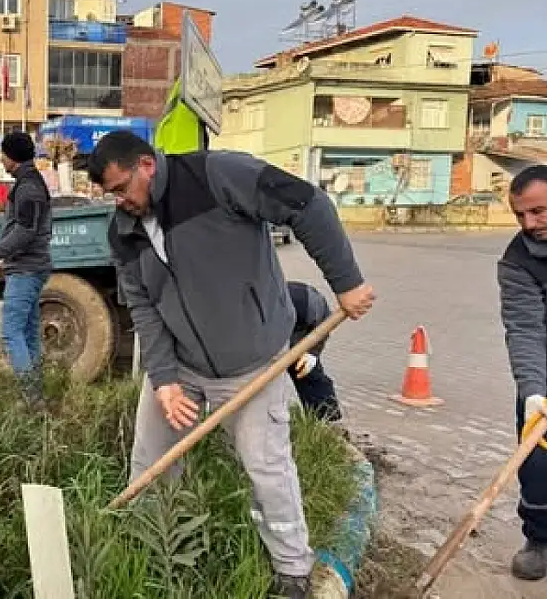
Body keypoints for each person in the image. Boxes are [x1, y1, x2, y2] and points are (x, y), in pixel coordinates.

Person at [88, 130, 375, 599]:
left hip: (252, 363)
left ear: (147, 165)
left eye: (122, 189)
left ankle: (292, 569)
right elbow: (143, 307)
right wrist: (163, 381)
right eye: (109, 194)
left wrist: (346, 282)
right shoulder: (123, 231)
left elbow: (308, 205)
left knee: (267, 469)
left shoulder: (216, 176)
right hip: (181, 367)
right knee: (151, 464)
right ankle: (151, 551)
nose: (118, 202)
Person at [0, 131, 53, 405]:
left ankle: (30, 399)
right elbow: (23, 229)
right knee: (27, 332)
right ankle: (35, 396)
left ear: (12, 157)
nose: (1, 159)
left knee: (11, 331)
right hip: (28, 265)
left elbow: (26, 231)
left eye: (3, 153)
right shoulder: (29, 182)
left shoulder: (27, 187)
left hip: (27, 269)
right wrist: (6, 257)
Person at [498, 164, 547, 581]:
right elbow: (525, 326)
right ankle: (540, 539)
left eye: (539, 212)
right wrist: (533, 391)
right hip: (544, 368)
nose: (529, 224)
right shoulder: (517, 261)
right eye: (521, 215)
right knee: (536, 458)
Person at [287, 280, 343, 423]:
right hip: (271, 338)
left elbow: (325, 326)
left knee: (307, 373)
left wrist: (312, 353)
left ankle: (328, 420)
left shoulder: (312, 304)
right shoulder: (265, 310)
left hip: (304, 335)